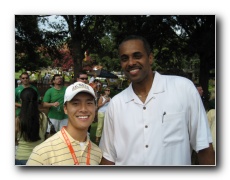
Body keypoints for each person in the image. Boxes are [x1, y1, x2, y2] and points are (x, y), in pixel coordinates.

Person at [99, 35, 215, 165]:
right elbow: (108, 156)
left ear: (150, 58)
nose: (131, 62)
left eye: (137, 56)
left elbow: (203, 146)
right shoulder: (116, 104)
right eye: (125, 58)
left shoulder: (183, 89)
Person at [26, 82, 102, 165]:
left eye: (89, 103)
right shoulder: (42, 153)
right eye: (75, 103)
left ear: (95, 107)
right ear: (65, 109)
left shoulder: (97, 153)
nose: (83, 109)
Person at [15, 88, 48, 165]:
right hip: (39, 158)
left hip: (21, 157)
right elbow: (44, 135)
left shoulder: (18, 119)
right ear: (37, 100)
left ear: (21, 100)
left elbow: (14, 140)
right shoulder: (43, 117)